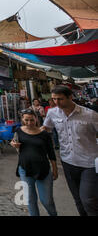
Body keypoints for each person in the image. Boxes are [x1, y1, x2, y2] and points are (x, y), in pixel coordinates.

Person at [42, 85, 98, 216]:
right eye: (54, 99)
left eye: (60, 99)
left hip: (89, 163)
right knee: (78, 199)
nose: (56, 102)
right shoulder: (52, 112)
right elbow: (46, 129)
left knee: (88, 199)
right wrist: (25, 134)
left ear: (70, 97)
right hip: (68, 162)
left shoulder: (90, 115)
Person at [10, 109, 58, 216]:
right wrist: (13, 144)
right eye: (26, 120)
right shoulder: (18, 131)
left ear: (36, 119)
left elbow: (51, 153)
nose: (29, 123)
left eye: (32, 120)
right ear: (22, 119)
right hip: (25, 169)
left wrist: (55, 169)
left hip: (43, 170)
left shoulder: (44, 134)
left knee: (47, 201)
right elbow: (14, 142)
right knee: (30, 200)